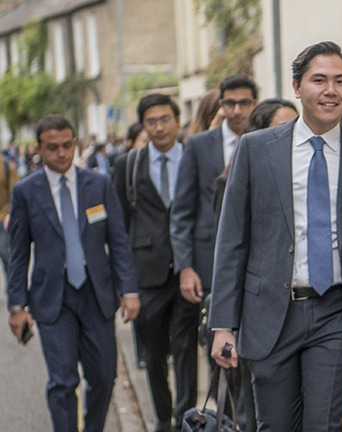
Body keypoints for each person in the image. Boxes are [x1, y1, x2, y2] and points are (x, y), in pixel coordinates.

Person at [209, 41, 342, 430]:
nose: (331, 90)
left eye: (341, 81)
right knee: (274, 424)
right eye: (319, 80)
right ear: (297, 87)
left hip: (337, 313)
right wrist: (223, 323)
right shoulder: (256, 149)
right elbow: (232, 240)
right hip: (270, 312)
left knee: (326, 425)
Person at [6, 115, 140, 432]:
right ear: (39, 149)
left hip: (97, 294)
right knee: (63, 380)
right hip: (54, 298)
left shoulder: (99, 184)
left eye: (67, 145)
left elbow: (118, 240)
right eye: (53, 148)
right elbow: (19, 253)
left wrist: (130, 289)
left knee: (104, 376)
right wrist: (16, 305)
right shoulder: (26, 191)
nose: (62, 153)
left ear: (76, 143)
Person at [207, 97, 298, 432]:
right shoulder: (231, 180)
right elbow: (230, 249)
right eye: (282, 127)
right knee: (253, 413)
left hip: (300, 315)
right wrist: (224, 322)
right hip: (256, 315)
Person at [112, 94, 198, 432]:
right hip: (146, 272)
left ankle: (186, 418)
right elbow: (119, 225)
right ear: (143, 126)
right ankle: (163, 417)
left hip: (188, 270)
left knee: (186, 348)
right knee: (152, 354)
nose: (159, 127)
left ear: (178, 121)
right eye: (152, 121)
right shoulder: (127, 165)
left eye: (165, 119)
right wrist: (125, 283)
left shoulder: (194, 158)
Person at [171, 75, 258, 311]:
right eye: (230, 103)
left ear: (254, 104)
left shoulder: (265, 143)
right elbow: (181, 211)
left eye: (244, 103)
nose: (237, 110)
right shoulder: (197, 146)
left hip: (256, 261)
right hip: (208, 259)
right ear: (221, 105)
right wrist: (185, 267)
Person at [0, 149, 21, 271]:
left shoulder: (7, 166)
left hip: (3, 216)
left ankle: (12, 286)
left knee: (5, 252)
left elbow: (16, 194)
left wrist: (10, 213)